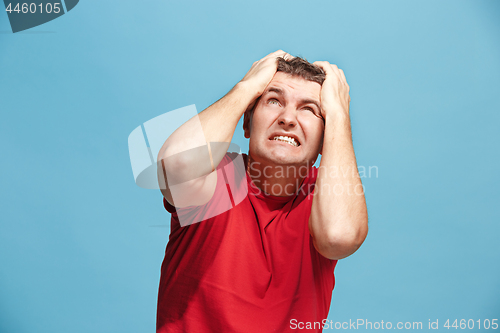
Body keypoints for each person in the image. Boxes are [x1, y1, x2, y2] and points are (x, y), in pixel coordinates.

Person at [155, 50, 368, 332]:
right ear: (246, 123)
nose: (287, 118)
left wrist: (339, 114)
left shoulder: (325, 197)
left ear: (323, 141)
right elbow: (178, 165)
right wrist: (248, 87)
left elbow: (339, 237)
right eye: (273, 100)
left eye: (308, 109)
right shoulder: (214, 177)